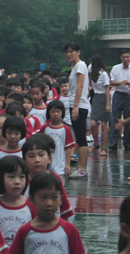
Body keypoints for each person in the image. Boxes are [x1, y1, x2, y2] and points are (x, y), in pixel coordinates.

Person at [64, 42, 89, 179]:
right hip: (76, 104)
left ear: (78, 52)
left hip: (79, 105)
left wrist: (76, 106)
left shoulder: (80, 65)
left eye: (71, 51)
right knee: (78, 138)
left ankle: (83, 168)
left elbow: (80, 86)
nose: (69, 54)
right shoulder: (75, 66)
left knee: (80, 137)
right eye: (67, 52)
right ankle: (80, 167)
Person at [109, 50, 130, 151]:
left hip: (129, 95)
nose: (126, 59)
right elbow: (111, 81)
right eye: (124, 57)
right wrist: (120, 83)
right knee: (115, 118)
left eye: (127, 57)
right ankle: (113, 142)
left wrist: (129, 83)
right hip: (118, 94)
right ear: (120, 58)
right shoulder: (115, 68)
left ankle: (127, 142)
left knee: (128, 118)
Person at [39, 101, 76, 178]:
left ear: (62, 113)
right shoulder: (45, 128)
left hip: (60, 165)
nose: (56, 114)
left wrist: (68, 164)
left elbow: (67, 147)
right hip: (46, 164)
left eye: (58, 111)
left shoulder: (65, 129)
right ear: (48, 113)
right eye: (53, 112)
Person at [88, 54, 112, 157]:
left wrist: (108, 104)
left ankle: (104, 147)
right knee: (93, 123)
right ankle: (96, 143)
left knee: (104, 124)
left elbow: (107, 90)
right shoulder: (92, 73)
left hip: (103, 98)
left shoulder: (104, 74)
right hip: (96, 97)